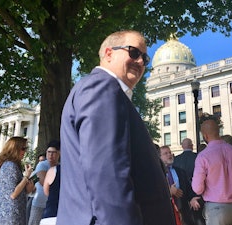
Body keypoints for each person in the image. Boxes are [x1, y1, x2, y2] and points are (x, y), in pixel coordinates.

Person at [58, 30, 175, 225]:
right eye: (134, 53)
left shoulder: (109, 93)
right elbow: (107, 175)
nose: (140, 62)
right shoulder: (103, 87)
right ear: (109, 53)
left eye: (145, 59)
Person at [192, 114, 232, 225]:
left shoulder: (203, 156)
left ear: (205, 135)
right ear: (218, 131)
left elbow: (197, 188)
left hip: (215, 209)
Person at [0, 137, 35, 225]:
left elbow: (17, 191)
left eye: (26, 148)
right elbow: (13, 194)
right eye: (23, 148)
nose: (25, 152)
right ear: (14, 149)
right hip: (10, 216)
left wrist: (28, 189)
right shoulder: (10, 166)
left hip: (13, 214)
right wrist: (26, 177)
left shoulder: (12, 165)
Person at [160, 145, 202, 225]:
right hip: (166, 212)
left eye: (170, 152)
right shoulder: (158, 174)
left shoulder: (180, 172)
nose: (169, 155)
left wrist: (192, 198)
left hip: (183, 211)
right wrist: (169, 191)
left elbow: (189, 189)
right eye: (165, 153)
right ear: (159, 157)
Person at [28, 140, 60, 225]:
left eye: (53, 152)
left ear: (59, 153)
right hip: (39, 204)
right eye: (49, 152)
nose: (50, 155)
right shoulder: (42, 165)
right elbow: (45, 183)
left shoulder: (60, 166)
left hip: (53, 206)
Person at [26, 153, 46, 224]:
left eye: (43, 161)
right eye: (40, 161)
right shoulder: (36, 173)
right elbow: (29, 187)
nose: (41, 163)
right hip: (33, 199)